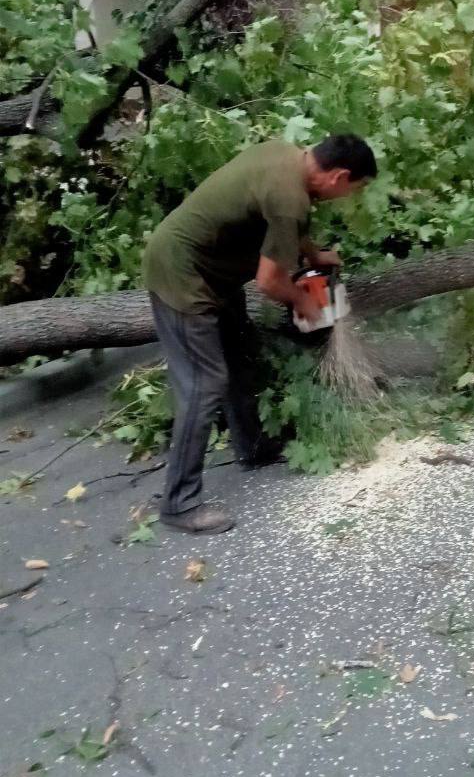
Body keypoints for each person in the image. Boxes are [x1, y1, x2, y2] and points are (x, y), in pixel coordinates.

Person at [143, 134, 378, 535]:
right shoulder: (291, 200)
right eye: (352, 189)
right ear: (339, 176)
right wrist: (303, 303)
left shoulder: (284, 156)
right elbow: (270, 282)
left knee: (241, 351)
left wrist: (312, 253)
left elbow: (281, 222)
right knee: (204, 384)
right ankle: (178, 504)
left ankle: (253, 448)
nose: (347, 197)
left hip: (211, 272)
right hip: (182, 277)